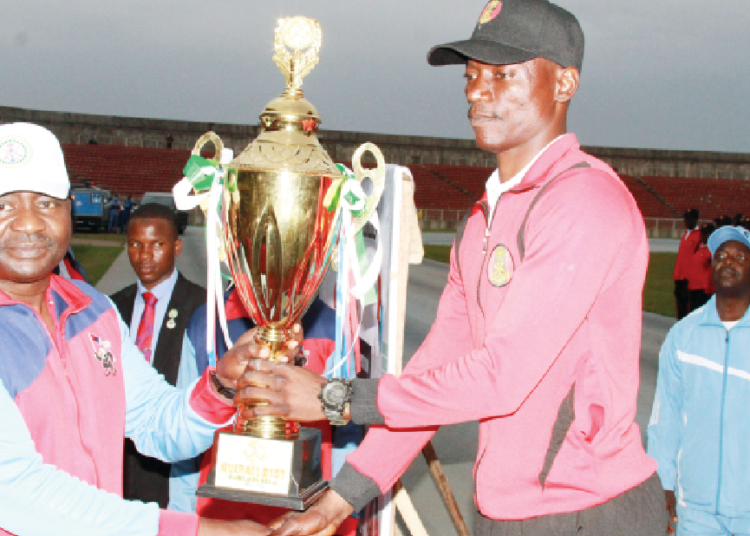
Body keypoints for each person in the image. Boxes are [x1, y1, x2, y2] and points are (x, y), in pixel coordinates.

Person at [239, 2, 666, 535]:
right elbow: (432, 374)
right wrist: (343, 498)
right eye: (471, 75)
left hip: (585, 510)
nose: (477, 91)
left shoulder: (583, 201)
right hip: (504, 511)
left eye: (504, 75)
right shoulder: (483, 219)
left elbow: (501, 377)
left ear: (564, 83)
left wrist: (336, 398)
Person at [0, 122, 272, 536]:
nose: (28, 224)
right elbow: (16, 490)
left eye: (45, 203)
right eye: (4, 205)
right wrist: (198, 531)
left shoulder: (94, 311)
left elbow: (157, 422)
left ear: (69, 208)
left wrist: (221, 386)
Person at [171, 287, 358, 535]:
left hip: (304, 515)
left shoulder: (331, 328)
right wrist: (181, 515)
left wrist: (343, 514)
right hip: (217, 517)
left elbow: (347, 434)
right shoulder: (206, 323)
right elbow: (183, 430)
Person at [648, 225, 750, 536]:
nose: (727, 261)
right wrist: (663, 486)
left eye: (739, 256)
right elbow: (665, 421)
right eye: (720, 255)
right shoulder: (683, 336)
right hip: (695, 511)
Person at [110, 203, 206, 509]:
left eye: (157, 245)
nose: (144, 255)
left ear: (176, 247)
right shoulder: (110, 308)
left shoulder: (202, 307)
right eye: (136, 244)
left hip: (176, 463)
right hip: (119, 453)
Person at [675, 208, 701, 319]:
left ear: (695, 220)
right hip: (679, 276)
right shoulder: (686, 234)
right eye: (685, 218)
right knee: (680, 304)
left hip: (688, 277)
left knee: (688, 306)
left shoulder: (699, 236)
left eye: (689, 219)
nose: (686, 221)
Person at [685, 222, 716, 313]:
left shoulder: (713, 250)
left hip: (704, 289)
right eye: (702, 233)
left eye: (706, 233)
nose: (703, 235)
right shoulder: (699, 247)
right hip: (693, 287)